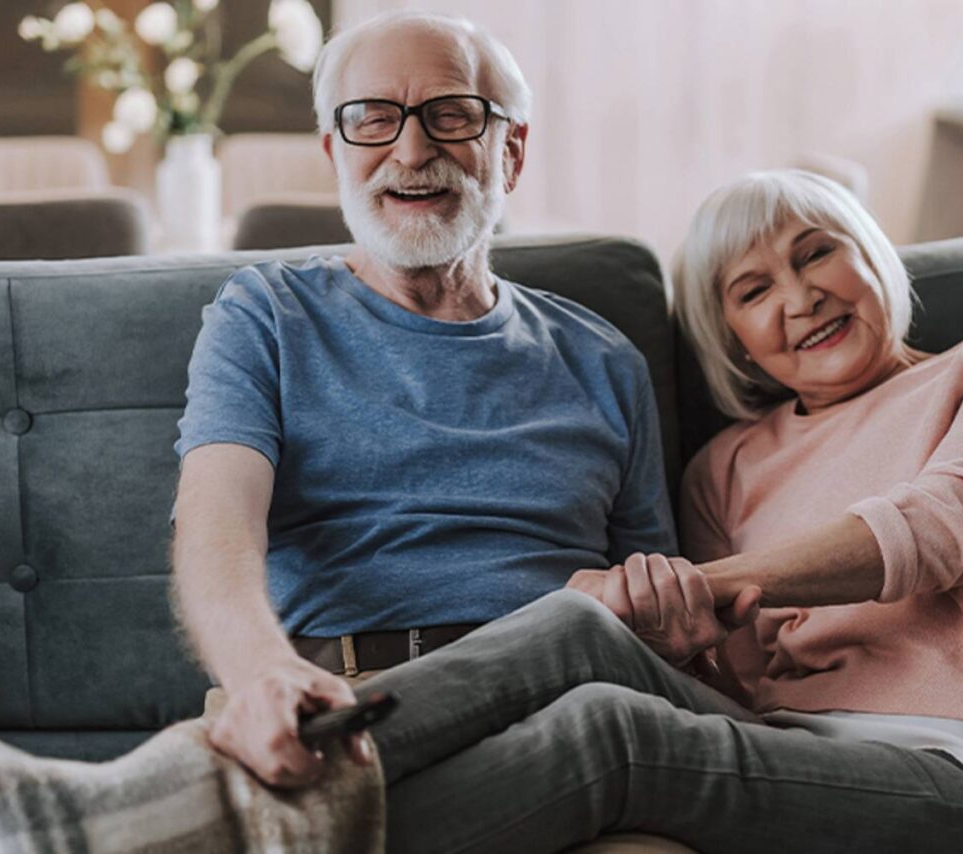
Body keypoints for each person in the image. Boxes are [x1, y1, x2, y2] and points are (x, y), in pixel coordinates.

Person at [317, 170, 963, 854]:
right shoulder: (727, 467)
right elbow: (740, 691)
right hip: (801, 758)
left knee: (612, 735)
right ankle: (278, 770)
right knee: (579, 627)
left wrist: (698, 584)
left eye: (817, 254)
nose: (800, 298)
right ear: (735, 340)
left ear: (874, 257)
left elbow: (947, 527)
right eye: (755, 290)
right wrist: (681, 639)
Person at [169, 9, 675, 792]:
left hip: (562, 700)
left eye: (451, 115)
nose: (410, 151)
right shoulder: (265, 315)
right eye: (373, 119)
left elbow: (658, 605)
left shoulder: (604, 359)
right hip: (342, 701)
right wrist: (261, 673)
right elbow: (215, 528)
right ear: (335, 152)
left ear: (510, 151)